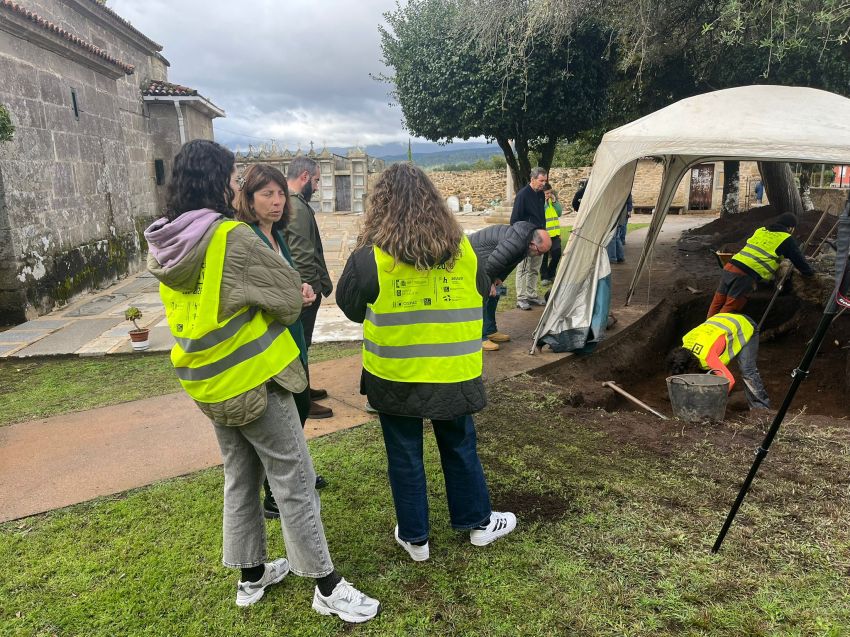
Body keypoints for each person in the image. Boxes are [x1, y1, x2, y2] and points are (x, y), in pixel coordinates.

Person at [145, 140, 379, 622]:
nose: (236, 188)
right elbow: (288, 298)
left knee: (240, 477)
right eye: (233, 179)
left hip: (208, 381)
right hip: (256, 380)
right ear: (217, 182)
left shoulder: (168, 242)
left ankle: (251, 576)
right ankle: (326, 585)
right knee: (293, 478)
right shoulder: (232, 237)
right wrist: (291, 294)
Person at [337, 163, 517, 562]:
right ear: (434, 202)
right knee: (459, 445)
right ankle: (478, 523)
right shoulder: (466, 252)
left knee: (404, 454)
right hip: (455, 373)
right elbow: (484, 292)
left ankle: (416, 538)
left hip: (395, 375)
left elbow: (350, 307)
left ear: (380, 205)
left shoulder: (370, 259)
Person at [233, 163, 328, 510]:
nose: (276, 201)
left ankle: (298, 469)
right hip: (269, 337)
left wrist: (300, 287)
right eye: (266, 194)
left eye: (279, 194)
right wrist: (292, 296)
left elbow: (284, 279)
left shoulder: (277, 235)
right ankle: (275, 491)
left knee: (300, 402)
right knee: (285, 412)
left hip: (291, 332)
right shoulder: (247, 239)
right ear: (249, 198)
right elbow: (253, 292)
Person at [285, 156, 334, 419]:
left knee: (303, 343)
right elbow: (302, 254)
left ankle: (304, 389)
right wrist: (310, 289)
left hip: (302, 288)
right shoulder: (297, 207)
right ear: (304, 176)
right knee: (300, 344)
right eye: (315, 181)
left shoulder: (293, 204)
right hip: (304, 291)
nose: (316, 187)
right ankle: (301, 399)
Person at [708, 212, 814, 317]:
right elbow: (799, 261)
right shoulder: (786, 239)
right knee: (730, 308)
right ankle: (717, 331)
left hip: (730, 265)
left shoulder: (761, 231)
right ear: (790, 228)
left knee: (717, 302)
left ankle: (706, 329)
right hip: (744, 274)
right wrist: (810, 273)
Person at [469, 222, 552, 351]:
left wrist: (498, 279)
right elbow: (492, 263)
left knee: (497, 292)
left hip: (488, 262)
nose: (540, 255)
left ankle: (490, 330)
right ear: (532, 244)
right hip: (475, 257)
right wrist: (489, 283)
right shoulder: (516, 242)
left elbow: (508, 263)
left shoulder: (524, 242)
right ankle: (480, 337)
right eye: (540, 252)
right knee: (483, 296)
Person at [666, 312, 770, 410]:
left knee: (747, 370)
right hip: (723, 320)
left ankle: (761, 409)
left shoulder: (708, 356)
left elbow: (729, 381)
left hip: (745, 326)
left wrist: (710, 402)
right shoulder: (686, 343)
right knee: (705, 373)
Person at [509, 166, 548, 310]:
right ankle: (521, 298)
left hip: (539, 237)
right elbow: (514, 220)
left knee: (534, 268)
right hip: (526, 238)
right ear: (532, 179)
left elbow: (540, 216)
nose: (543, 183)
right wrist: (525, 238)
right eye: (541, 180)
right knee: (523, 267)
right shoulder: (522, 195)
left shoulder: (541, 194)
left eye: (545, 180)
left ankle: (531, 295)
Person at [539, 184, 563, 285]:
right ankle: (544, 277)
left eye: (550, 192)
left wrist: (554, 202)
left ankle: (551, 273)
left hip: (555, 234)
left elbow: (559, 213)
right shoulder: (539, 202)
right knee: (544, 257)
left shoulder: (552, 202)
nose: (549, 195)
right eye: (547, 193)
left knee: (557, 254)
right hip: (544, 234)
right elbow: (541, 212)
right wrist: (544, 201)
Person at [607, 193, 633, 264]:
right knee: (616, 237)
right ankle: (620, 257)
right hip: (619, 213)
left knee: (612, 237)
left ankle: (612, 258)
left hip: (617, 214)